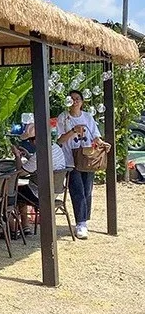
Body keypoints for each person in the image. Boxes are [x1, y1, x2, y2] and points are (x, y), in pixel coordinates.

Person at [56, 90, 110, 239]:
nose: (75, 101)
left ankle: (83, 221)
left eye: (77, 98)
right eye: (72, 99)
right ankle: (80, 223)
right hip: (70, 159)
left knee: (87, 190)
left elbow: (95, 135)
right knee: (77, 189)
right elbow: (59, 140)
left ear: (82, 101)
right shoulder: (63, 117)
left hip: (87, 158)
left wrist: (102, 143)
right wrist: (73, 131)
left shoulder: (87, 116)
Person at [9, 123, 66, 237]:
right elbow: (39, 163)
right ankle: (25, 226)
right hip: (55, 191)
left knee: (12, 193)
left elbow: (21, 172)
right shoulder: (55, 148)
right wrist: (29, 155)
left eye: (29, 141)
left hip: (41, 194)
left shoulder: (40, 154)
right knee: (22, 192)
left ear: (34, 140)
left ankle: (13, 229)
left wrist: (17, 156)